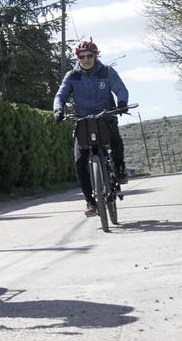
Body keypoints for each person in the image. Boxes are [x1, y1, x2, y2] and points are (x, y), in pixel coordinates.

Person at [53, 39, 131, 217]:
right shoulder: (72, 76)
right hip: (82, 121)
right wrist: (58, 109)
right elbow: (61, 94)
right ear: (78, 57)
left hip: (105, 118)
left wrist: (122, 102)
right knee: (79, 162)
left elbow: (120, 88)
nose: (86, 59)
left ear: (95, 56)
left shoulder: (107, 72)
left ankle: (119, 170)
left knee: (116, 142)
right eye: (82, 56)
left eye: (89, 55)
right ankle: (90, 201)